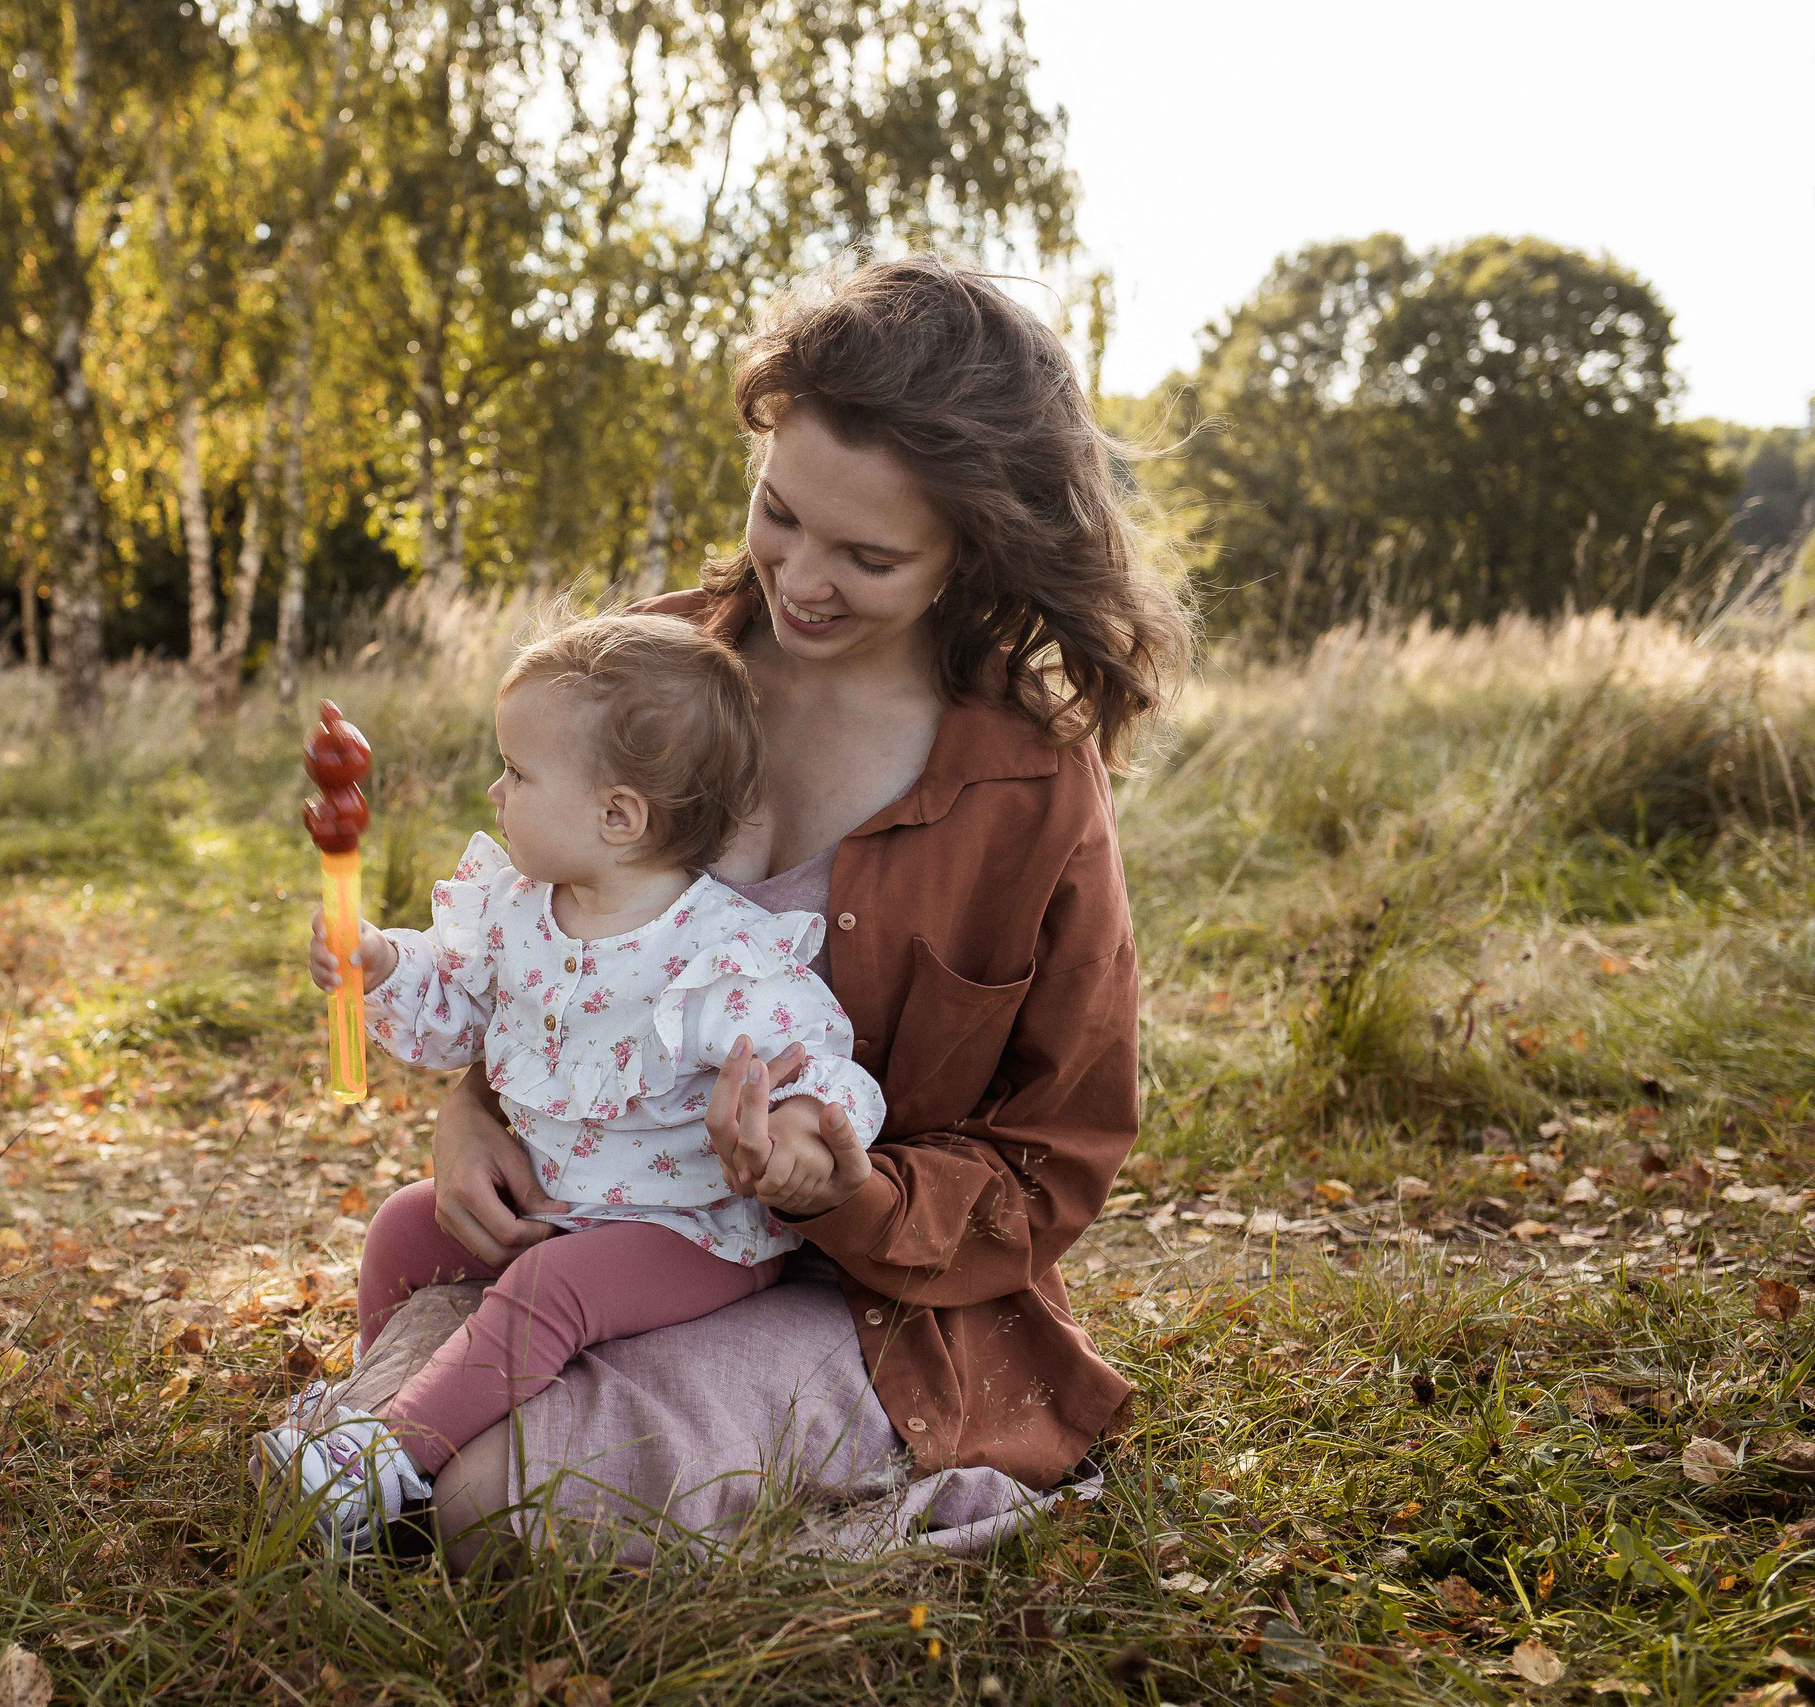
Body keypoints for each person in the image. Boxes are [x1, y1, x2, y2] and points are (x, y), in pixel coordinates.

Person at [412, 256, 1194, 1562]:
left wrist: (847, 1185)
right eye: (781, 513)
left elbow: (1056, 1155)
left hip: (872, 1304)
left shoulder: (1028, 781)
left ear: (971, 548)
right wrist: (467, 1108)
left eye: (870, 554)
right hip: (606, 1229)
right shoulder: (654, 669)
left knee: (490, 1504)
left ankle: (906, 1480)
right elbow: (523, 939)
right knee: (394, 1434)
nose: (803, 578)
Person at [262, 614, 887, 1553]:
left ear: (619, 815)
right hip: (563, 1205)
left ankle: (387, 1460)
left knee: (554, 1286)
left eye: (517, 772)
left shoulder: (713, 950)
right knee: (403, 1224)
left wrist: (801, 1126)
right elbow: (451, 1008)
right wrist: (383, 960)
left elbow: (822, 1058)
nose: (494, 789)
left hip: (692, 1230)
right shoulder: (518, 912)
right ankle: (382, 1403)